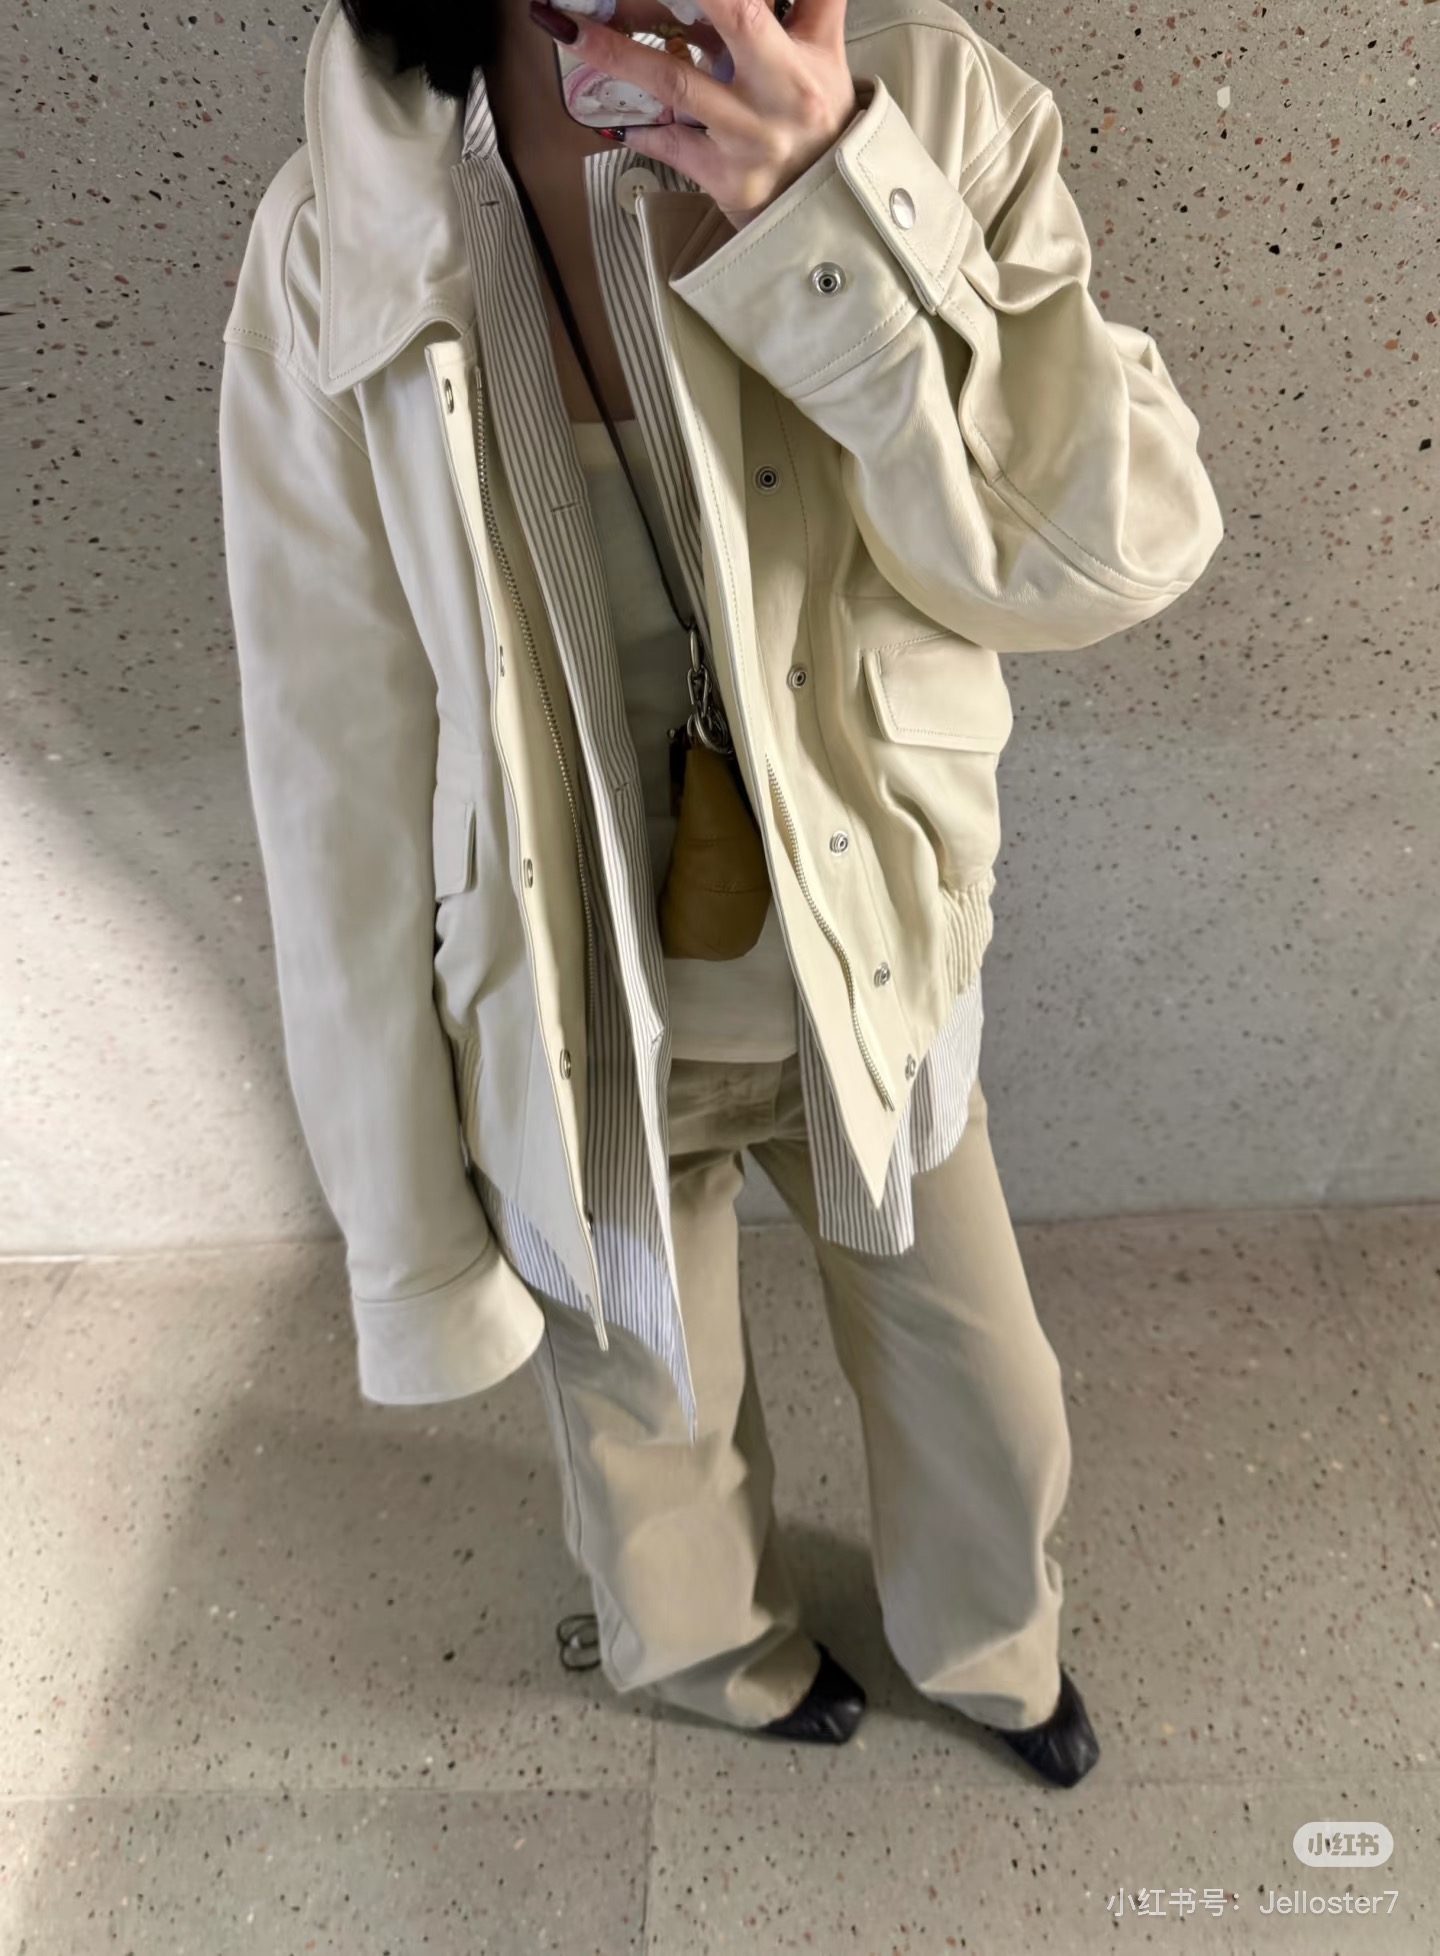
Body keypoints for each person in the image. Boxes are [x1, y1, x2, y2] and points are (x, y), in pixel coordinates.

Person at [218, 0, 1223, 1790]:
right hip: (571, 995)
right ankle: (707, 1658)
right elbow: (333, 758)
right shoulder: (334, 232)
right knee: (644, 1422)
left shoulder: (928, 99)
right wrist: (409, 1232)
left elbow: (1118, 549)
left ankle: (992, 1650)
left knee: (983, 1389)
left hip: (868, 957)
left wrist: (839, 205)